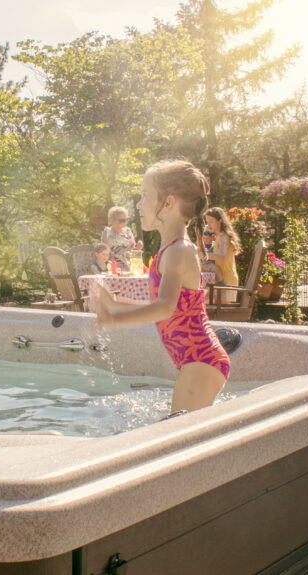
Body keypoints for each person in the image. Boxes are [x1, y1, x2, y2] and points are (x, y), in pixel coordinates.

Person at [93, 159, 230, 417]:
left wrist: (115, 317)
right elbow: (171, 306)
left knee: (178, 438)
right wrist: (115, 304)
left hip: (201, 360)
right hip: (197, 361)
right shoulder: (169, 250)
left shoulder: (180, 250)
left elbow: (165, 308)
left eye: (145, 195)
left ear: (168, 203)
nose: (138, 204)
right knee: (178, 429)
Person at [198, 207, 241, 303]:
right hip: (222, 280)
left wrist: (205, 255)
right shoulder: (219, 237)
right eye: (207, 222)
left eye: (211, 222)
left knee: (204, 303)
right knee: (203, 302)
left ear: (220, 221)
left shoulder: (223, 237)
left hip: (226, 281)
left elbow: (222, 256)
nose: (208, 225)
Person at [100, 206, 143, 272]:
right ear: (113, 221)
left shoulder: (128, 231)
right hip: (113, 267)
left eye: (127, 219)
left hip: (130, 266)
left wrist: (138, 247)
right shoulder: (107, 232)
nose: (125, 222)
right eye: (122, 220)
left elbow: (132, 250)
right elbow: (103, 253)